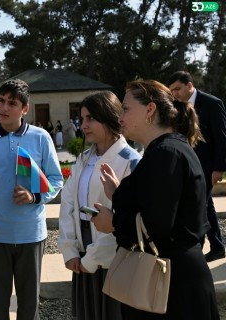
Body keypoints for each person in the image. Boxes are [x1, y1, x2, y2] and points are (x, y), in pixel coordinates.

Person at [92, 80, 219, 319]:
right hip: (170, 278)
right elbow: (160, 204)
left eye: (126, 109)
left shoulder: (165, 154)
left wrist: (113, 223)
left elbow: (157, 226)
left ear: (150, 110)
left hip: (170, 285)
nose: (120, 118)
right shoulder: (167, 150)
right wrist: (119, 194)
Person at [0, 79, 63, 320]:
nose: (4, 108)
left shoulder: (40, 138)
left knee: (29, 306)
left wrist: (34, 196)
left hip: (31, 235)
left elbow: (56, 179)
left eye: (12, 103)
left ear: (25, 109)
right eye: (1, 101)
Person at [58, 91, 141, 320]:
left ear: (109, 117)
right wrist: (70, 250)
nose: (83, 125)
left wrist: (91, 260)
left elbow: (123, 218)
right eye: (82, 118)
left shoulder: (130, 161)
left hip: (113, 263)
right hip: (82, 262)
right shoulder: (84, 159)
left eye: (90, 118)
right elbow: (68, 203)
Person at [167, 71, 226, 262]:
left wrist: (218, 168)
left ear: (189, 85)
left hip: (208, 166)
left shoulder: (212, 103)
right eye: (171, 90)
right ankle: (215, 245)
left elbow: (221, 138)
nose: (174, 93)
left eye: (177, 88)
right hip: (188, 165)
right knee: (204, 204)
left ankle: (200, 247)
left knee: (201, 204)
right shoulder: (175, 107)